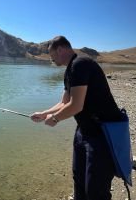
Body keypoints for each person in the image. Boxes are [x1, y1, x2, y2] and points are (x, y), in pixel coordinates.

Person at [30, 36, 123, 200]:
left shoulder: (80, 64)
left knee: (96, 191)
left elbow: (76, 105)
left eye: (51, 54)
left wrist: (55, 119)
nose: (50, 58)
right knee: (79, 182)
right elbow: (63, 102)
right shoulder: (70, 70)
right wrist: (45, 114)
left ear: (60, 49)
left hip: (103, 134)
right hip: (84, 131)